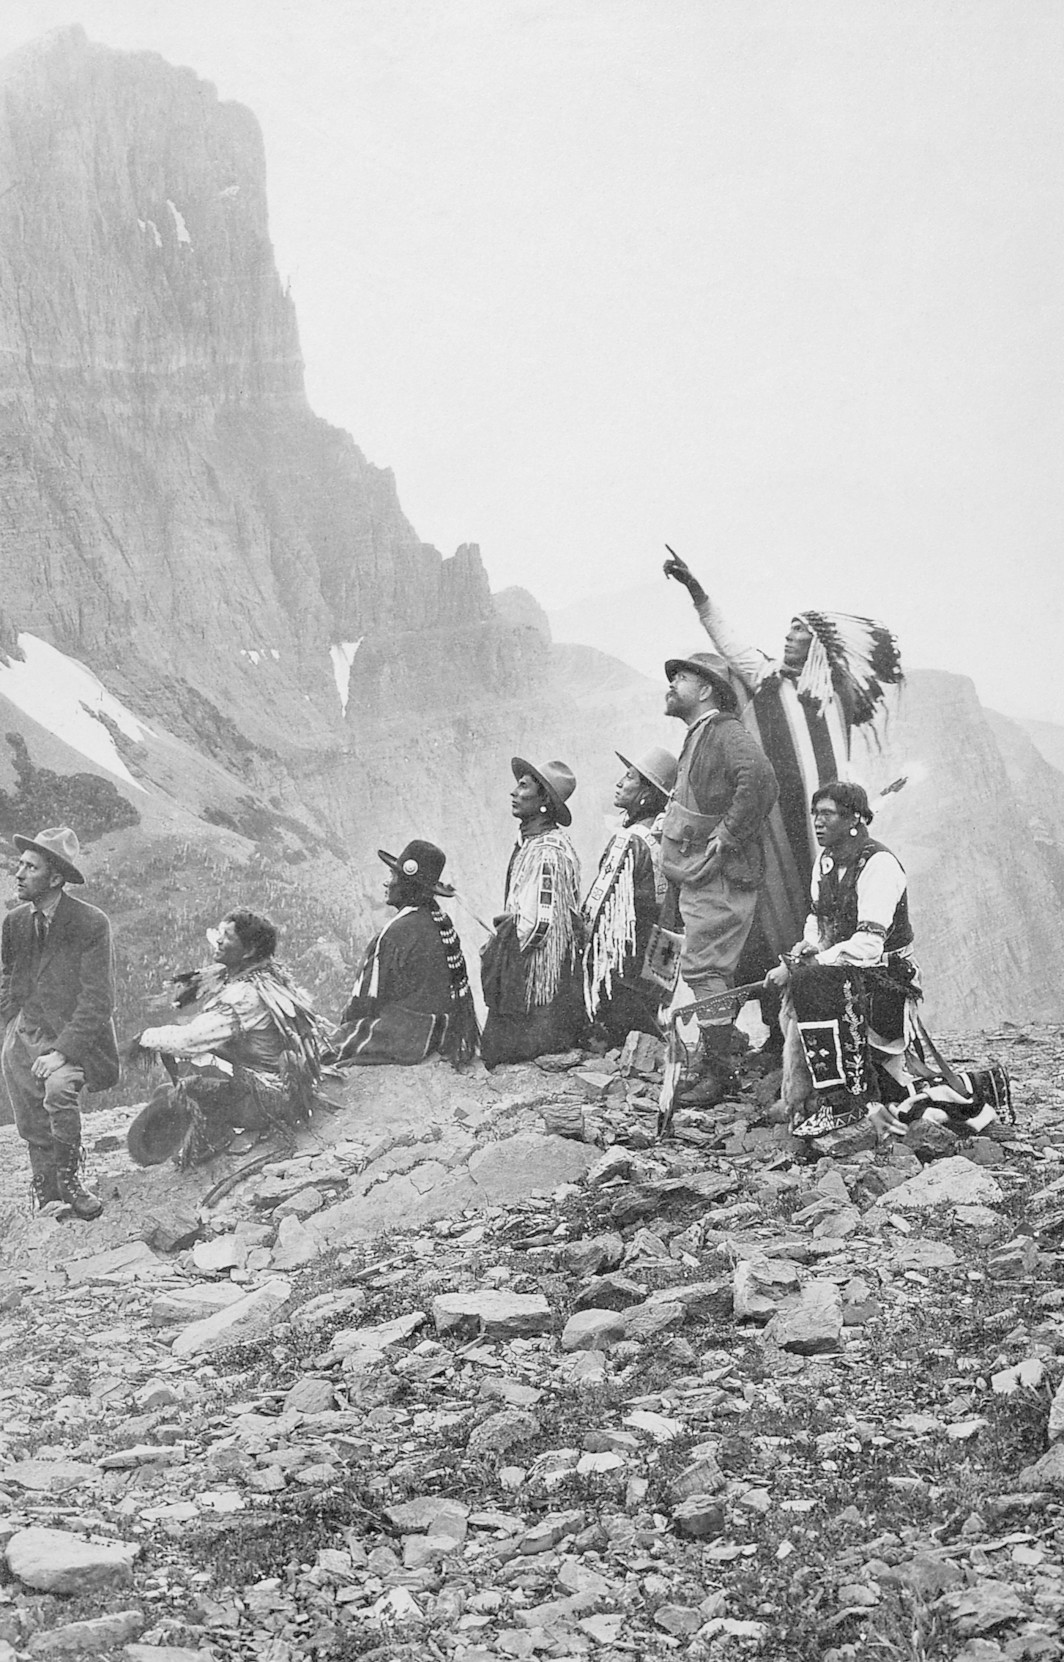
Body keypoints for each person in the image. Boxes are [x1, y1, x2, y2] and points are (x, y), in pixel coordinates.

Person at [663, 552, 903, 1003]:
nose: (788, 636)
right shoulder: (771, 681)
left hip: (823, 833)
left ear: (821, 644)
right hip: (778, 832)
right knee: (778, 917)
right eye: (789, 628)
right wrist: (698, 593)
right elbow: (730, 644)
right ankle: (780, 1026)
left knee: (829, 916)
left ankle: (831, 1019)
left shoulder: (838, 697)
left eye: (800, 630)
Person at [766, 782, 1011, 1138]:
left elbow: (868, 945)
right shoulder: (826, 861)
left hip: (886, 978)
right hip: (844, 970)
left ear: (854, 820)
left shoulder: (880, 866)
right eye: (815, 814)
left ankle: (845, 1102)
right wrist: (807, 949)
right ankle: (813, 1098)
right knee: (804, 980)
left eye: (828, 814)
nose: (818, 822)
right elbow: (819, 922)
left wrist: (814, 964)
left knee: (810, 982)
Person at [662, 653, 778, 1103]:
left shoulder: (725, 731)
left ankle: (719, 1073)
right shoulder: (702, 735)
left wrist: (727, 834)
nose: (671, 684)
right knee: (711, 968)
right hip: (704, 875)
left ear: (707, 689)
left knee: (706, 968)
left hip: (720, 875)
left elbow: (760, 779)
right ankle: (721, 1058)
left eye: (681, 678)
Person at [126, 908, 328, 1166]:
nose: (219, 940)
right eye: (220, 933)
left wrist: (145, 1037)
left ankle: (213, 1134)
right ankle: (206, 1121)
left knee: (193, 1070)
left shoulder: (246, 994)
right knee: (183, 1075)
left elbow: (189, 1041)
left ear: (250, 950)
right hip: (266, 1085)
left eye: (228, 936)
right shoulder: (258, 978)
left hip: (266, 1098)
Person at [1, 826, 119, 1219]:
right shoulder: (15, 922)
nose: (18, 874)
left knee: (57, 1089)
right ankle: (45, 1184)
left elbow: (97, 1000)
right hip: (26, 1029)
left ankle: (69, 1180)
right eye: (19, 864)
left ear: (55, 879)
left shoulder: (89, 923)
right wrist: (11, 1026)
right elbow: (10, 980)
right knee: (27, 1106)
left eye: (30, 867)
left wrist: (61, 1052)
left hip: (72, 1034)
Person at [331, 840, 479, 1066]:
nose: (387, 883)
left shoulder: (398, 932)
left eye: (393, 877)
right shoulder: (438, 919)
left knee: (326, 1048)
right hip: (445, 1030)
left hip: (411, 1033)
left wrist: (347, 1029)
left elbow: (365, 1001)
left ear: (407, 884)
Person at [480, 757, 582, 1067]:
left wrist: (502, 949)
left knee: (507, 1049)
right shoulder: (536, 844)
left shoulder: (545, 853)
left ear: (543, 802)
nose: (514, 792)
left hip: (536, 977)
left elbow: (539, 924)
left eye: (523, 787)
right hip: (537, 966)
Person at [582, 745, 676, 1047]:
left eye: (630, 777)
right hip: (660, 959)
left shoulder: (629, 840)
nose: (620, 783)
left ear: (647, 795)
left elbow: (599, 908)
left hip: (624, 964)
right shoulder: (667, 842)